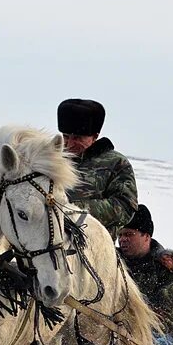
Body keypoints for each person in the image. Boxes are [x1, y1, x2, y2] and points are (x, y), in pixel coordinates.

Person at [58, 99, 138, 240]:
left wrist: (73, 209)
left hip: (94, 246)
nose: (69, 144)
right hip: (46, 243)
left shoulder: (116, 163)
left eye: (77, 138)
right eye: (65, 136)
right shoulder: (52, 158)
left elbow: (125, 207)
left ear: (95, 136)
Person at [117, 204, 173, 345]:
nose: (122, 239)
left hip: (152, 336)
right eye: (120, 235)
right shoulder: (110, 260)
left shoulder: (166, 268)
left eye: (129, 234)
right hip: (110, 329)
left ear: (147, 236)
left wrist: (126, 322)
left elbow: (166, 319)